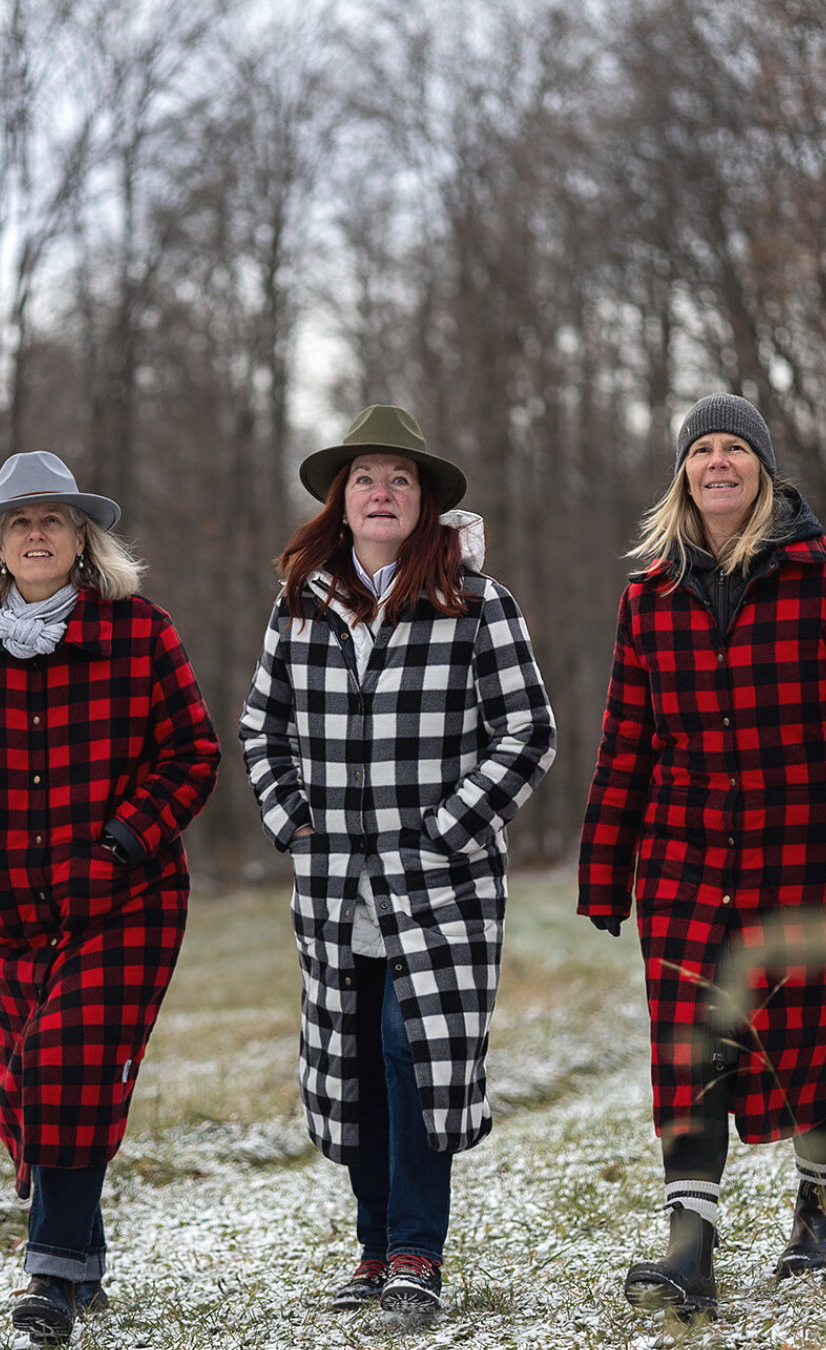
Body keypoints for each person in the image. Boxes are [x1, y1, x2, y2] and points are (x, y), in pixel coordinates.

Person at [578, 393, 826, 1320]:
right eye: (702, 451)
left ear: (763, 469)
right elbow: (626, 742)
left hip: (813, 849)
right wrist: (605, 865)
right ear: (683, 473)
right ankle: (691, 1247)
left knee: (816, 1029)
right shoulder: (647, 594)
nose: (717, 463)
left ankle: (817, 1210)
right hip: (689, 856)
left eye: (735, 449)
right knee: (690, 1041)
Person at [239, 405, 555, 1323]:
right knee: (354, 1064)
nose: (382, 493)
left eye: (401, 480)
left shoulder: (476, 600)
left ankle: (419, 1251)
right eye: (367, 478)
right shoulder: (302, 600)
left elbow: (527, 730)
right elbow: (263, 725)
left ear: (425, 505)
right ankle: (375, 1249)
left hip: (441, 883)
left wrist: (450, 826)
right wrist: (292, 819)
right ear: (343, 501)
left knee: (413, 1048)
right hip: (337, 885)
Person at [0, 451, 220, 1344]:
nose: (35, 533)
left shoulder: (140, 632)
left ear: (82, 538)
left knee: (65, 1065)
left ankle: (49, 1278)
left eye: (52, 519)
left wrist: (117, 847)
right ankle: (81, 1254)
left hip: (125, 898)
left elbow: (192, 755)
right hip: (0, 910)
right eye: (18, 522)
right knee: (21, 1088)